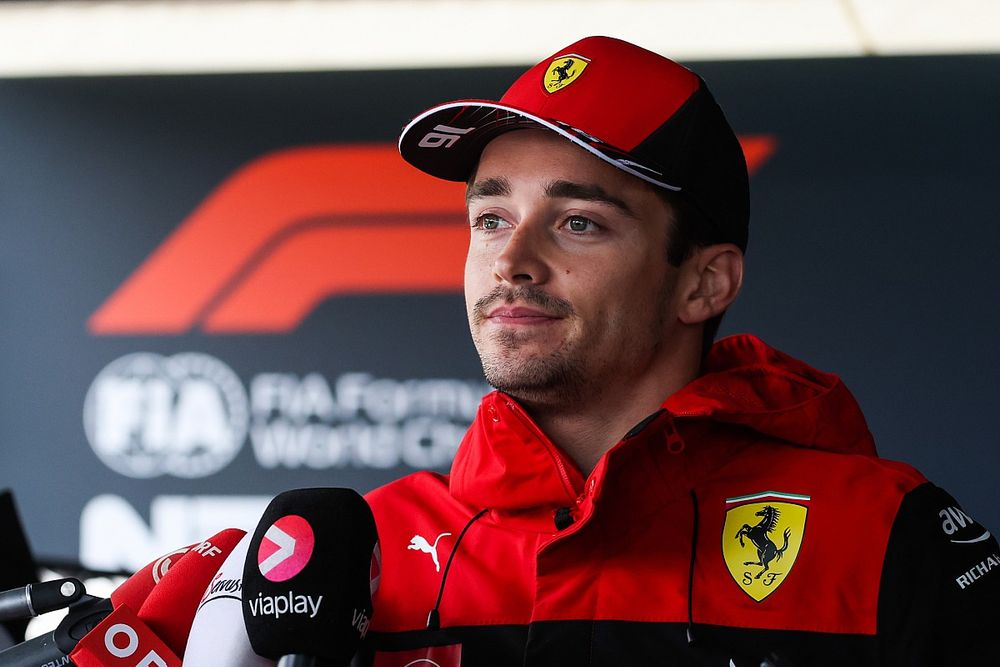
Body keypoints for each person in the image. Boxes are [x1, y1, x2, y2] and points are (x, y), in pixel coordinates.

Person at [357, 36, 999, 666]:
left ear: (704, 283)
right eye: (491, 219)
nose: (511, 262)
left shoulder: (885, 534)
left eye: (578, 222)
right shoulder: (364, 550)